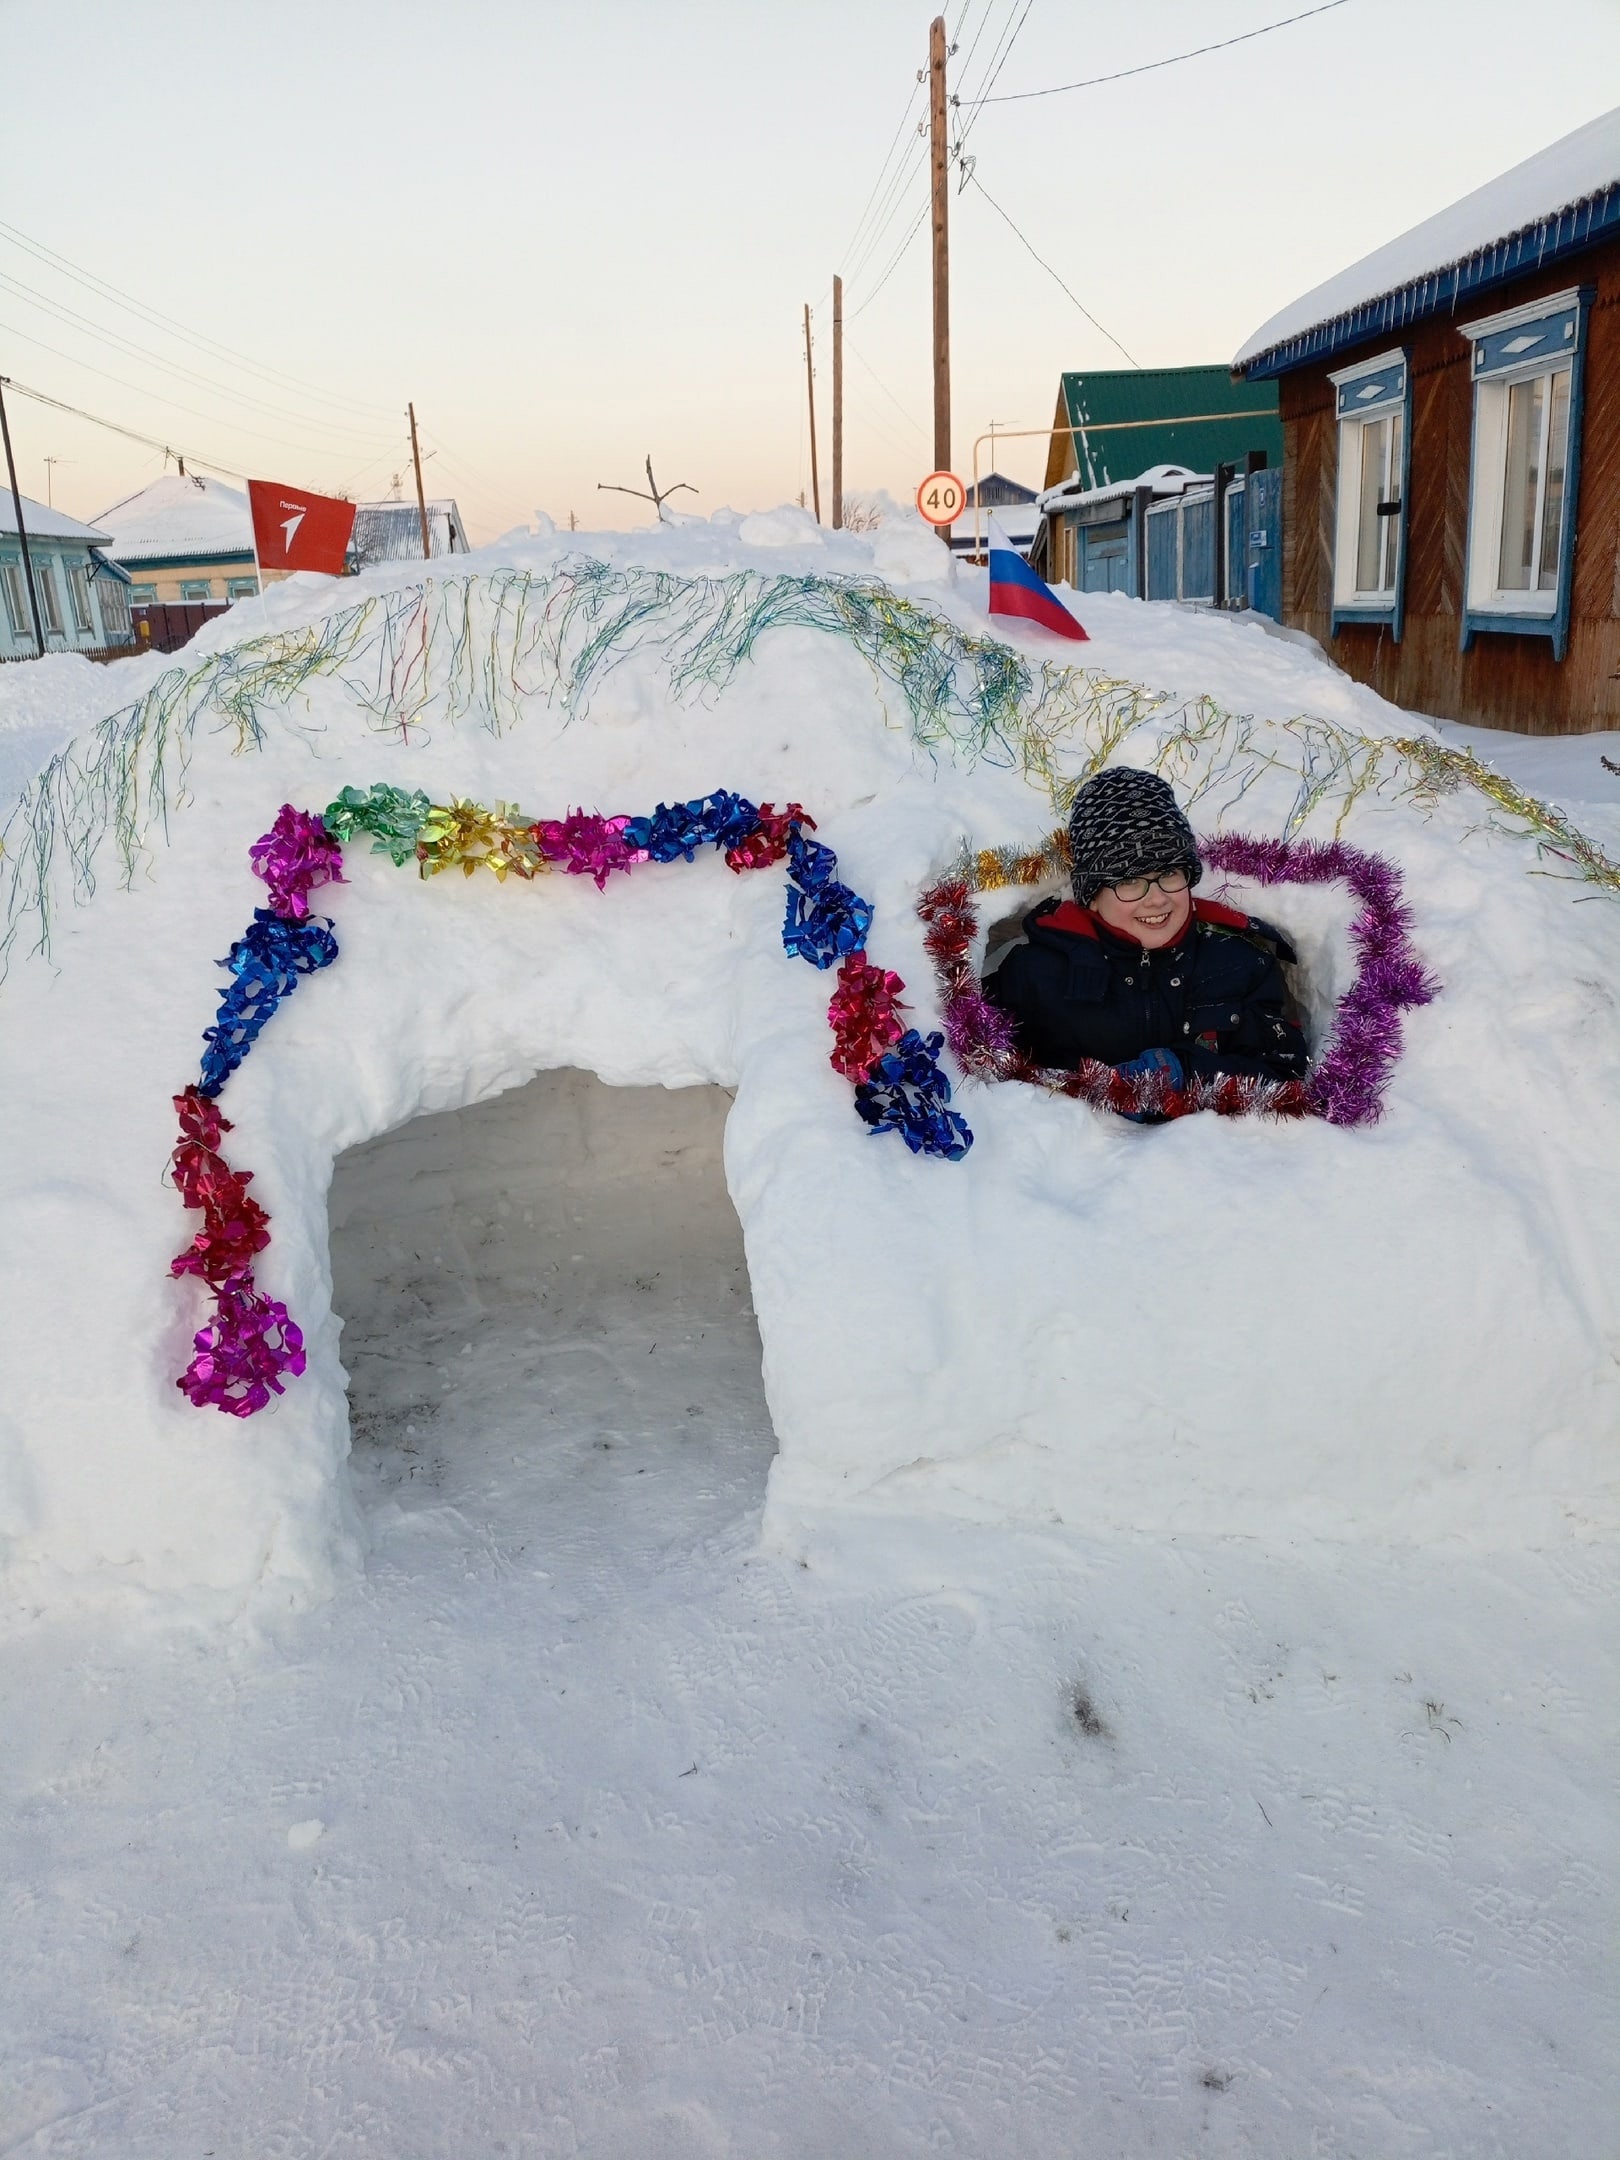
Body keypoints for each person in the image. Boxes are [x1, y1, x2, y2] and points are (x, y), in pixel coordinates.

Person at [983, 766, 1308, 1094]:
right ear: (1092, 897)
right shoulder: (1037, 972)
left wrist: (1187, 1071)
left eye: (1168, 874)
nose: (1155, 899)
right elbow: (984, 1062)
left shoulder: (1239, 962)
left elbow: (1284, 1070)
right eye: (1129, 881)